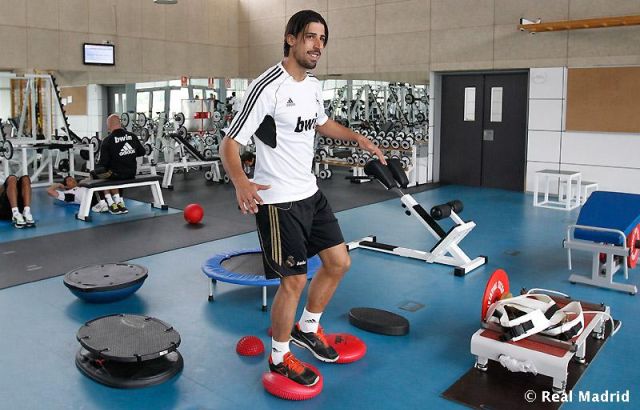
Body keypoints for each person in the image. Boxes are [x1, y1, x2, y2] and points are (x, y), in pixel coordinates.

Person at [220, 10, 385, 387]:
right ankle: (279, 357)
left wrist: (356, 137)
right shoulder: (268, 87)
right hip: (277, 200)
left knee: (339, 263)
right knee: (293, 281)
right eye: (311, 37)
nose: (318, 45)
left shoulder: (311, 85)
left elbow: (321, 123)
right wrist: (241, 182)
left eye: (322, 39)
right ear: (291, 38)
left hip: (310, 193)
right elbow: (230, 142)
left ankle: (307, 328)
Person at [93, 114, 146, 214]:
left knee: (96, 173)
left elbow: (103, 163)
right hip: (131, 173)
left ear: (109, 125)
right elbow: (142, 152)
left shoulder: (108, 140)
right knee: (111, 173)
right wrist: (128, 154)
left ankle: (108, 203)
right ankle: (119, 202)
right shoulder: (132, 136)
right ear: (120, 123)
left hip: (117, 175)